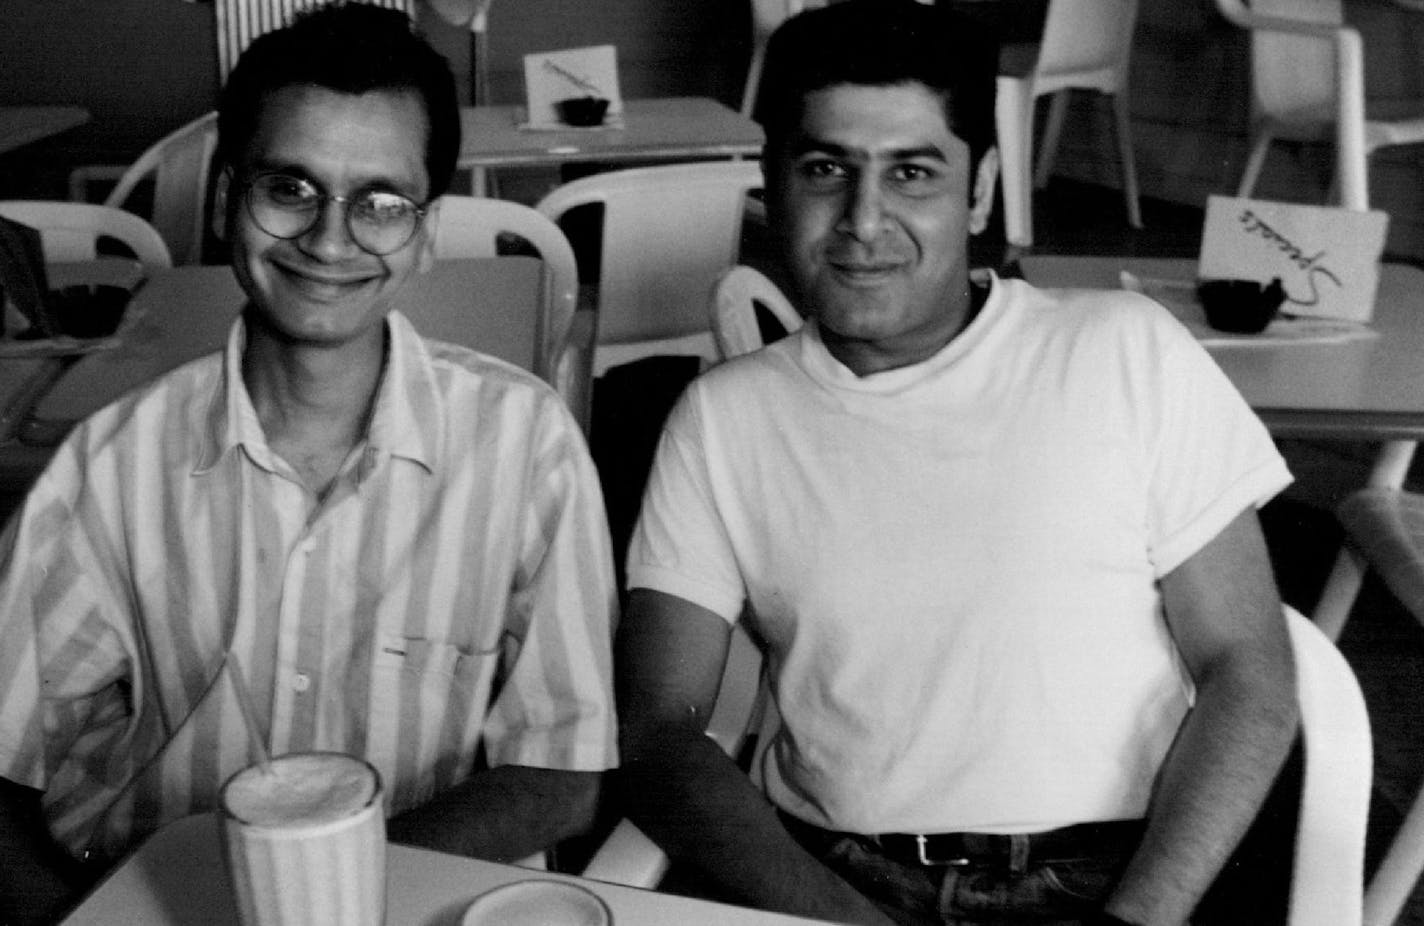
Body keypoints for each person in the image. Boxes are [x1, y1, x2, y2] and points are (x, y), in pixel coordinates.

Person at [615, 2, 1298, 925]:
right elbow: (659, 728)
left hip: (1117, 874)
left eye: (912, 173)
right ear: (772, 188)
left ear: (977, 192)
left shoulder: (1121, 351)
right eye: (825, 170)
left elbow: (1248, 671)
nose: (864, 221)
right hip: (836, 879)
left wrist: (1136, 920)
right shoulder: (724, 419)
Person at [0, 5, 617, 923]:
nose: (331, 242)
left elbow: (558, 776)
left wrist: (323, 896)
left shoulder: (527, 448)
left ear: (426, 232)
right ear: (223, 203)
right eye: (288, 189)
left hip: (418, 900)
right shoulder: (110, 465)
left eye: (380, 203)